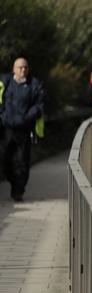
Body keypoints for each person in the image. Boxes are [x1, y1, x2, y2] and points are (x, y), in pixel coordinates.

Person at [0, 58, 46, 201]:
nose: (23, 70)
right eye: (20, 67)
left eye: (25, 67)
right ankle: (13, 183)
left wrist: (27, 117)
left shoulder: (34, 85)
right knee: (5, 160)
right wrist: (2, 116)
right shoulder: (5, 84)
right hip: (6, 129)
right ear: (14, 69)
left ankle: (18, 191)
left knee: (22, 162)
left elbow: (40, 105)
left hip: (24, 130)